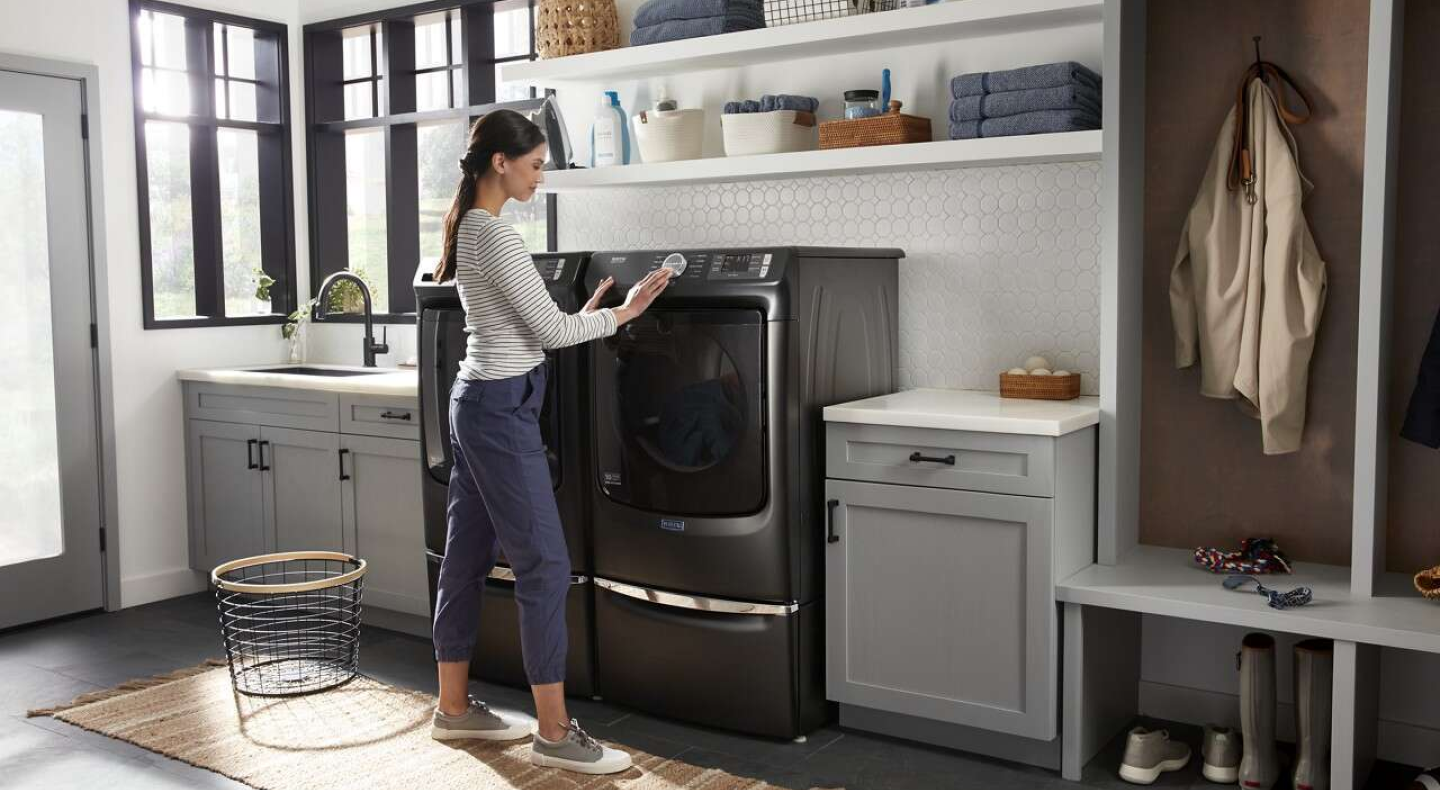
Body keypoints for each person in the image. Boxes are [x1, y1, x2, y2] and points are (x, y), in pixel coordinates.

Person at [427, 108, 672, 774]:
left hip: (478, 403)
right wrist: (625, 313)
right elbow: (553, 337)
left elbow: (534, 329)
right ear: (500, 163)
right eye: (535, 165)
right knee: (545, 567)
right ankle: (556, 734)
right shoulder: (495, 236)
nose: (541, 177)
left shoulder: (473, 229)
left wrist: (586, 316)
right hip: (500, 414)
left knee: (466, 556)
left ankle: (452, 711)